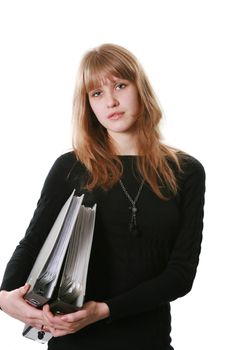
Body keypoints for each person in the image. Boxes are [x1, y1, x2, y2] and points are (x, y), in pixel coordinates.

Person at [0, 43, 205, 350]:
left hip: (149, 342)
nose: (111, 101)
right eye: (97, 93)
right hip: (73, 342)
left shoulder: (186, 172)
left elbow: (180, 274)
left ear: (140, 89)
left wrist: (104, 311)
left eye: (120, 86)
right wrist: (4, 297)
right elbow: (33, 243)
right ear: (89, 105)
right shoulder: (70, 167)